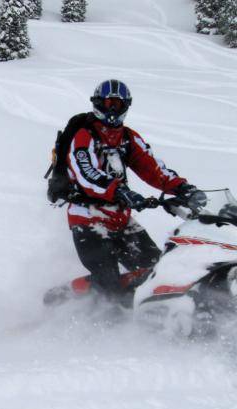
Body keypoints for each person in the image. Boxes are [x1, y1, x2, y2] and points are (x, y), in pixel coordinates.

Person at [61, 79, 206, 305]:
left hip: (121, 219)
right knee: (109, 285)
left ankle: (153, 316)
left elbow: (153, 168)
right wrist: (119, 191)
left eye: (117, 104)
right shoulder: (83, 135)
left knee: (158, 272)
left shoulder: (128, 137)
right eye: (108, 103)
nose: (112, 109)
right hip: (88, 220)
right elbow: (86, 173)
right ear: (98, 103)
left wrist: (182, 188)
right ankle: (83, 313)